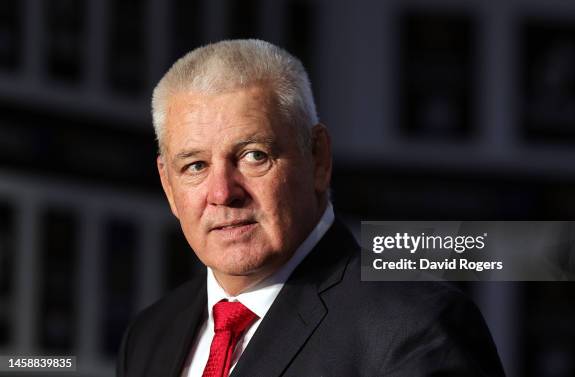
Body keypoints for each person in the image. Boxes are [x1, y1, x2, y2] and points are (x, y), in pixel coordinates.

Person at [116, 39, 506, 377]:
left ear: (317, 158)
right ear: (168, 185)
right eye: (195, 166)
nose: (222, 193)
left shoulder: (414, 327)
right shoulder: (149, 336)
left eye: (254, 155)